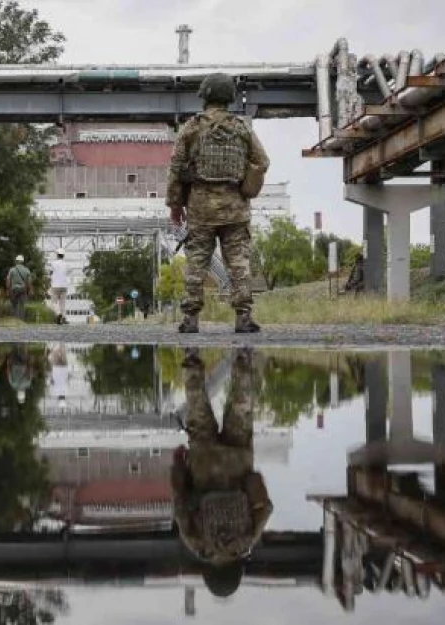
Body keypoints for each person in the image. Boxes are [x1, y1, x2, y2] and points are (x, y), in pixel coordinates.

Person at [166, 73, 270, 334]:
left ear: (205, 97)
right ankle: (243, 317)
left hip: (200, 207)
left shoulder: (192, 127)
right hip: (235, 207)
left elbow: (176, 168)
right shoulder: (242, 127)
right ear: (229, 98)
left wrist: (175, 205)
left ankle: (191, 319)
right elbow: (262, 161)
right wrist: (247, 187)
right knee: (238, 263)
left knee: (196, 263)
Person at [172, 347, 272, 599]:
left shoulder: (246, 543)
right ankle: (192, 350)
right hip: (203, 461)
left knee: (241, 406)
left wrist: (251, 481)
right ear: (208, 574)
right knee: (197, 407)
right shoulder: (197, 546)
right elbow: (179, 502)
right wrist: (179, 467)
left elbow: (266, 507)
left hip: (238, 461)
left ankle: (243, 353)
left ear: (237, 572)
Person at [5, 254, 34, 320]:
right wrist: (30, 290)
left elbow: (8, 280)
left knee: (13, 305)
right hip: (23, 289)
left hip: (14, 289)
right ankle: (21, 320)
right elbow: (29, 281)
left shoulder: (12, 270)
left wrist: (7, 290)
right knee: (22, 305)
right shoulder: (26, 270)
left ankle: (14, 320)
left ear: (16, 261)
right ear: (22, 261)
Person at [49, 248, 69, 325]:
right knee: (62, 303)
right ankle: (63, 318)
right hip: (64, 285)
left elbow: (50, 272)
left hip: (55, 285)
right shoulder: (66, 264)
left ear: (57, 255)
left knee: (54, 302)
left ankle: (58, 314)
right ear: (63, 256)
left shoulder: (53, 263)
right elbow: (68, 272)